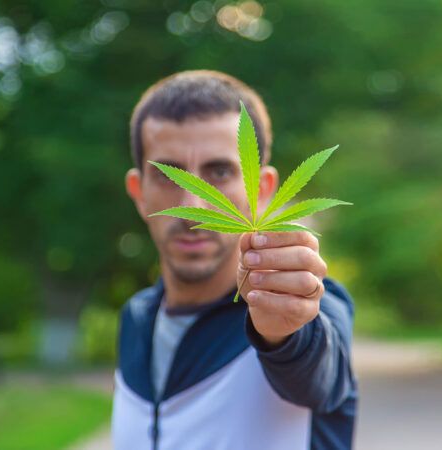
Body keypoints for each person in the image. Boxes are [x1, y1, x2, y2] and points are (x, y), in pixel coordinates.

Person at [113, 70, 357, 449]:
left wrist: (282, 331)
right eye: (168, 175)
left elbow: (321, 373)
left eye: (221, 172)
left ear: (263, 191)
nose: (192, 207)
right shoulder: (136, 319)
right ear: (138, 192)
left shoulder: (310, 310)